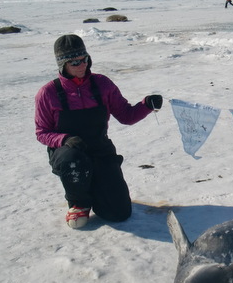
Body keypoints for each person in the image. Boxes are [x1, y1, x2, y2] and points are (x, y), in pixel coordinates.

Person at [35, 34, 163, 229]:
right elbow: (42, 132)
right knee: (74, 160)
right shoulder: (48, 93)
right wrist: (65, 139)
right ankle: (79, 202)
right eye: (74, 62)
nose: (82, 65)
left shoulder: (102, 84)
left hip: (100, 149)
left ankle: (96, 186)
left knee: (119, 214)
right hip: (68, 153)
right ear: (62, 65)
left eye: (84, 59)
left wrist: (146, 105)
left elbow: (126, 115)